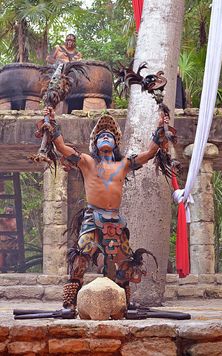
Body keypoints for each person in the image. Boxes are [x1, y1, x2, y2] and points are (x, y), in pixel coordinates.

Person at [43, 107, 169, 314]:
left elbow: (149, 154)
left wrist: (159, 130)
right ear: (95, 143)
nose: (105, 137)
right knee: (80, 258)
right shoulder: (86, 162)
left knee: (126, 264)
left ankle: (123, 303)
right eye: (101, 135)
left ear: (115, 143)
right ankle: (69, 303)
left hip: (116, 220)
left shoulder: (123, 164)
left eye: (109, 135)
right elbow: (62, 147)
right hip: (93, 217)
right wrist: (52, 123)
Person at [0, 206, 17, 272]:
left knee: (13, 255)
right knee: (2, 254)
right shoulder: (2, 219)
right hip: (2, 242)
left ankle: (14, 269)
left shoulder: (15, 221)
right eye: (7, 211)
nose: (8, 213)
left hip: (13, 242)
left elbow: (21, 231)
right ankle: (2, 269)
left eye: (10, 212)